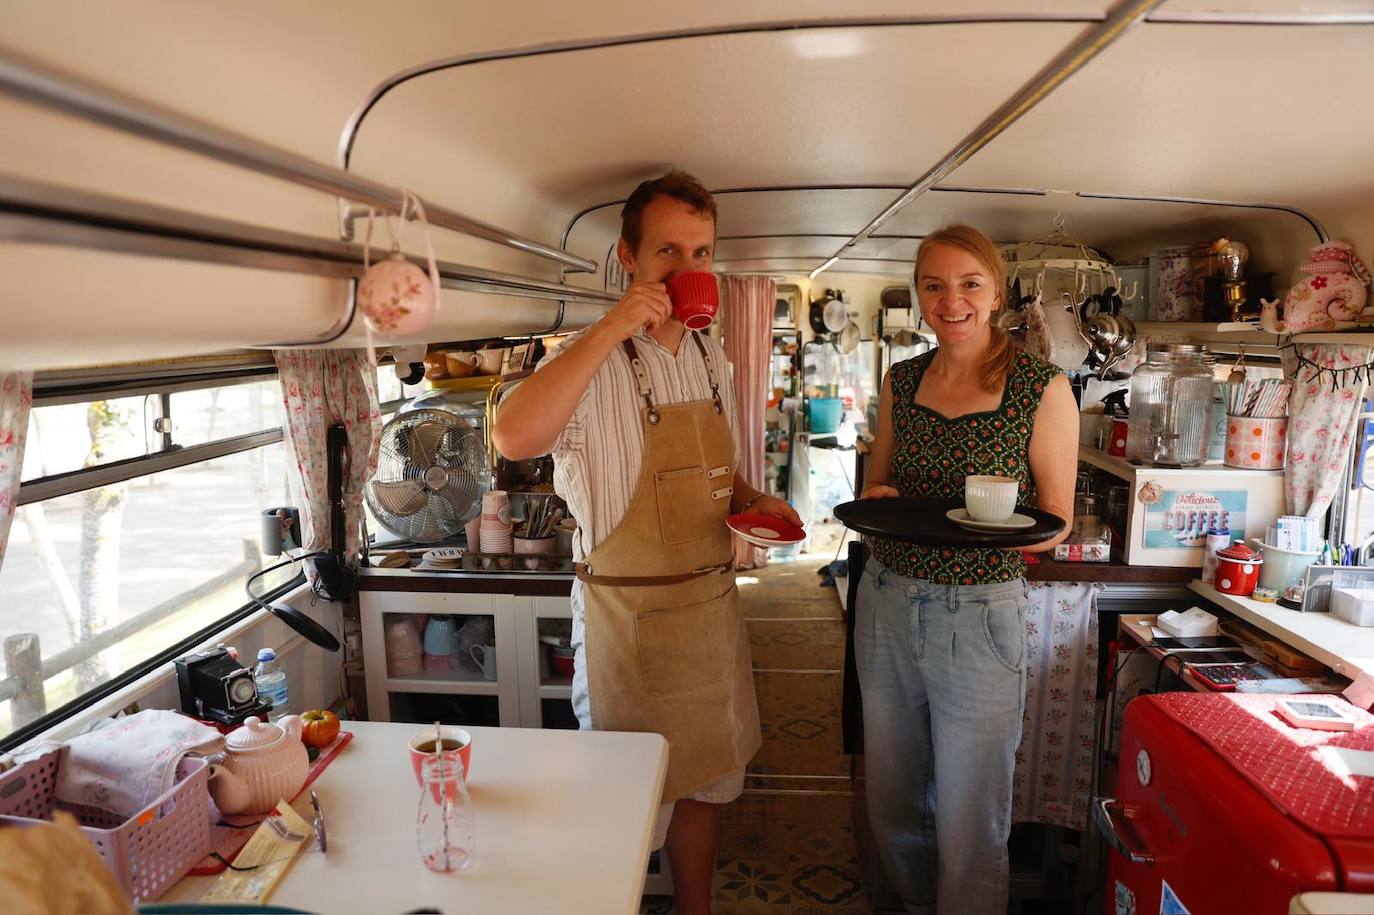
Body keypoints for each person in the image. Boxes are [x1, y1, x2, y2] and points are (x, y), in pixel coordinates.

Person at [492, 170, 801, 915]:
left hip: (708, 614)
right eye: (668, 250)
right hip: (625, 629)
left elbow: (720, 482)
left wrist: (757, 503)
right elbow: (513, 434)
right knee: (623, 811)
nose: (687, 269)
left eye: (701, 251)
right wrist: (608, 327)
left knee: (704, 790)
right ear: (628, 256)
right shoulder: (587, 359)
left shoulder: (708, 355)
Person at [855, 224, 1076, 915]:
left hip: (979, 613)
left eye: (969, 284)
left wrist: (1002, 532)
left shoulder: (1041, 387)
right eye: (934, 285)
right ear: (920, 295)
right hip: (887, 601)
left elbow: (1058, 517)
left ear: (996, 292)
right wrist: (876, 498)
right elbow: (878, 485)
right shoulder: (901, 379)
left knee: (970, 815)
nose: (951, 301)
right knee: (893, 803)